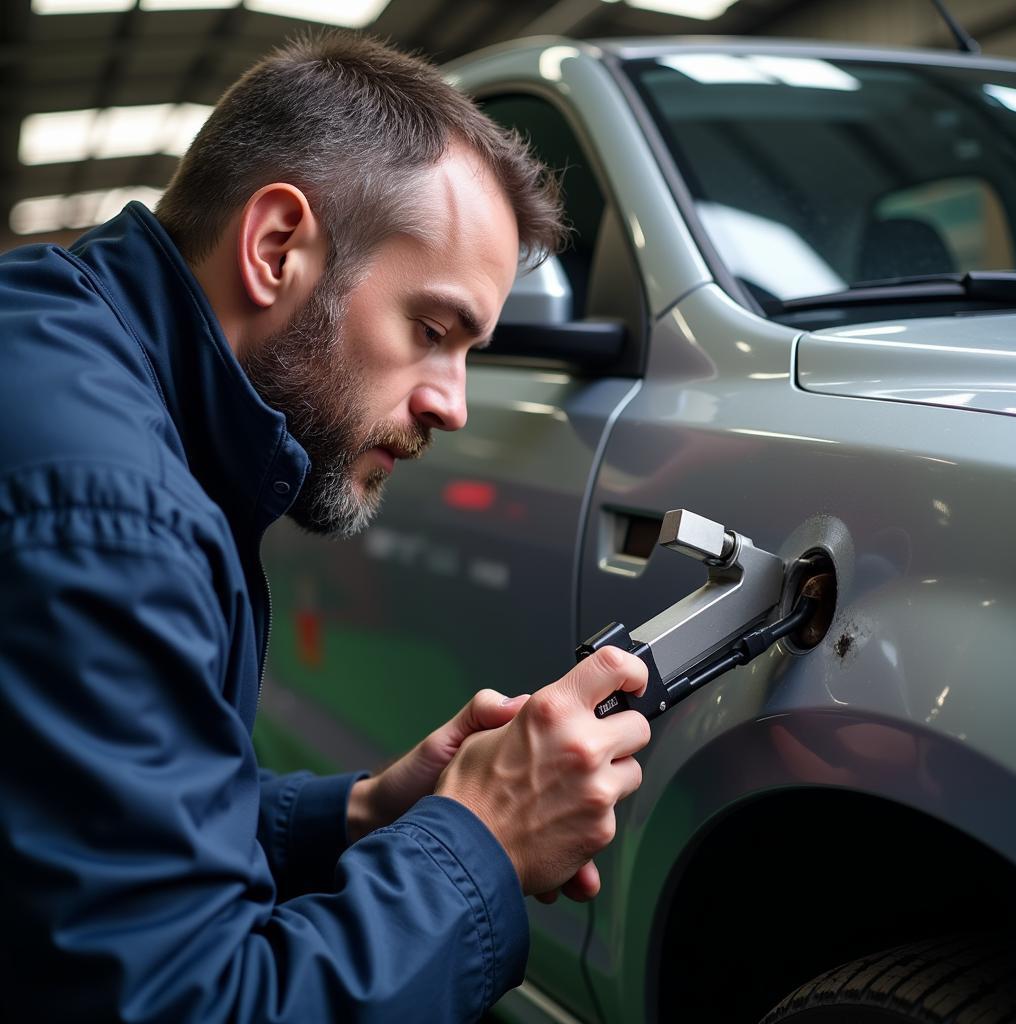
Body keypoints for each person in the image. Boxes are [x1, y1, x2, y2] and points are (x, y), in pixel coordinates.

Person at [0, 31, 650, 1023]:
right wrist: (483, 836)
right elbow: (192, 1005)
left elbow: (77, 834)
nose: (452, 404)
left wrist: (361, 813)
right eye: (430, 332)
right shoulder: (109, 515)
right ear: (276, 249)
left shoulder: (65, 350)